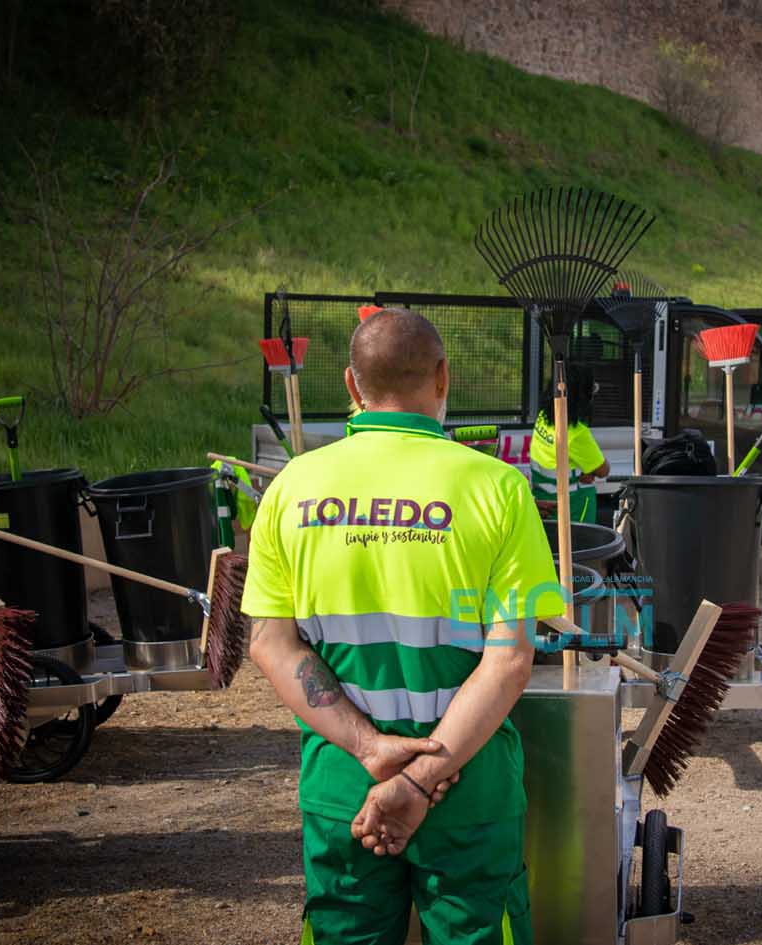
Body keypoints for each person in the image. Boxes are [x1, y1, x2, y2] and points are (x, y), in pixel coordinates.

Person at [242, 308, 562, 945]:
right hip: (465, 789)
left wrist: (370, 751)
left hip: (343, 786)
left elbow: (270, 645)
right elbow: (510, 661)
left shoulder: (290, 488)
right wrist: (419, 780)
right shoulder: (497, 488)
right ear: (444, 378)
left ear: (351, 386)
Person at [528, 364, 609, 523]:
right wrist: (588, 471)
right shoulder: (576, 433)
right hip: (573, 506)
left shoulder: (544, 416)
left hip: (544, 499)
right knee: (582, 547)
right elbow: (603, 470)